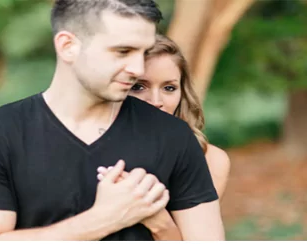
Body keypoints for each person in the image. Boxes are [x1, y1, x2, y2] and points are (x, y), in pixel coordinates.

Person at [0, 0, 224, 241]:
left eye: (143, 52)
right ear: (68, 46)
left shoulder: (173, 135)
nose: (138, 68)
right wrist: (101, 220)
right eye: (122, 52)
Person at [96, 34, 231, 240]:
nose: (156, 101)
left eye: (169, 88)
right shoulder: (85, 143)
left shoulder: (210, 159)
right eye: (138, 87)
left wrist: (156, 218)